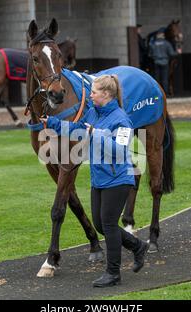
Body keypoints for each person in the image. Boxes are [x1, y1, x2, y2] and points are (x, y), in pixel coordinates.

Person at [42, 75, 149, 288]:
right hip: (99, 179)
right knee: (101, 225)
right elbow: (76, 129)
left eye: (93, 92)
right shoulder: (92, 112)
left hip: (119, 179)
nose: (89, 95)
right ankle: (138, 246)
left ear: (106, 94)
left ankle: (113, 273)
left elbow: (120, 151)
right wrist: (52, 123)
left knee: (108, 224)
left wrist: (95, 133)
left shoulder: (122, 120)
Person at [149, 27, 182, 94]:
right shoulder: (167, 43)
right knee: (164, 78)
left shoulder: (153, 44)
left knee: (156, 78)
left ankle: (157, 93)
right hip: (165, 62)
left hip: (156, 62)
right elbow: (172, 53)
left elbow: (150, 54)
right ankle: (165, 93)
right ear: (163, 35)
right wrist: (178, 52)